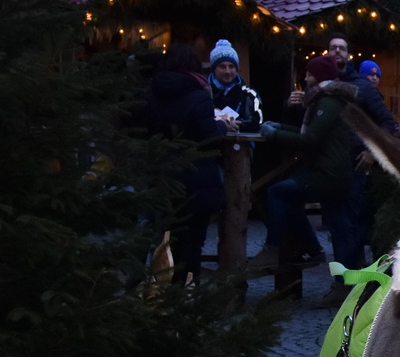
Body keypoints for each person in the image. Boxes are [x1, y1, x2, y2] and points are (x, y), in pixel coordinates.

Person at [254, 55, 359, 289]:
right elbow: (312, 132)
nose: (306, 77)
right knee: (341, 230)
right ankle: (344, 286)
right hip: (335, 173)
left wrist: (274, 135)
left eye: (309, 74)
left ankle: (281, 248)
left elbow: (310, 139)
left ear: (318, 77)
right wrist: (280, 126)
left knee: (278, 193)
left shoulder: (327, 102)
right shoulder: (329, 99)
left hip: (325, 174)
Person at [137, 44, 229, 283]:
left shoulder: (151, 91)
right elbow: (209, 136)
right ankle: (185, 294)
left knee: (164, 238)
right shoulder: (198, 94)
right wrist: (222, 126)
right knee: (191, 243)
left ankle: (156, 290)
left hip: (162, 176)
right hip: (195, 178)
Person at [208, 40, 261, 131]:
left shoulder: (249, 94)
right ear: (214, 69)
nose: (227, 71)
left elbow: (258, 122)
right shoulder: (203, 92)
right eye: (222, 66)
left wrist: (233, 125)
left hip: (241, 144)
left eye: (231, 66)